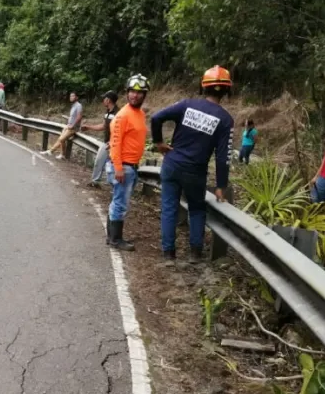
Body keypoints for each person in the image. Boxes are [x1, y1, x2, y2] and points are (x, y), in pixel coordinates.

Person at [151, 65, 235, 265]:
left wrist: (159, 142)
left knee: (169, 208)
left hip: (172, 164)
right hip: (195, 172)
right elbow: (223, 157)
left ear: (203, 86)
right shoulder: (225, 120)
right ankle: (195, 253)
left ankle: (168, 254)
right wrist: (221, 186)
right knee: (197, 209)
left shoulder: (186, 105)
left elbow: (156, 118)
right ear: (226, 90)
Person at [105, 76, 149, 251]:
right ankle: (116, 239)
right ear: (127, 93)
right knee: (120, 203)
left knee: (117, 201)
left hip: (131, 165)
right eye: (132, 91)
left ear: (144, 95)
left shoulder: (139, 114)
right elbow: (115, 143)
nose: (135, 95)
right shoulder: (122, 116)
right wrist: (118, 168)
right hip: (123, 166)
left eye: (139, 92)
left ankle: (112, 237)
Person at [82, 91, 120, 188]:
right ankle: (95, 182)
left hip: (114, 144)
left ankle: (116, 187)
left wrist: (113, 142)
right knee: (99, 161)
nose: (103, 100)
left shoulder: (118, 113)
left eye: (104, 98)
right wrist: (89, 127)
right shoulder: (107, 112)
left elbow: (120, 130)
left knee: (113, 167)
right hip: (106, 143)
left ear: (108, 100)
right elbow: (103, 126)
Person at [40, 92, 83, 160]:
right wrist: (68, 122)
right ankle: (53, 152)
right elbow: (73, 117)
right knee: (60, 139)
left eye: (73, 96)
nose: (71, 97)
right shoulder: (73, 106)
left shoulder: (78, 105)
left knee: (61, 139)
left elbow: (79, 117)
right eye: (70, 96)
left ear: (76, 97)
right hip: (69, 126)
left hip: (73, 128)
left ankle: (55, 152)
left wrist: (73, 125)